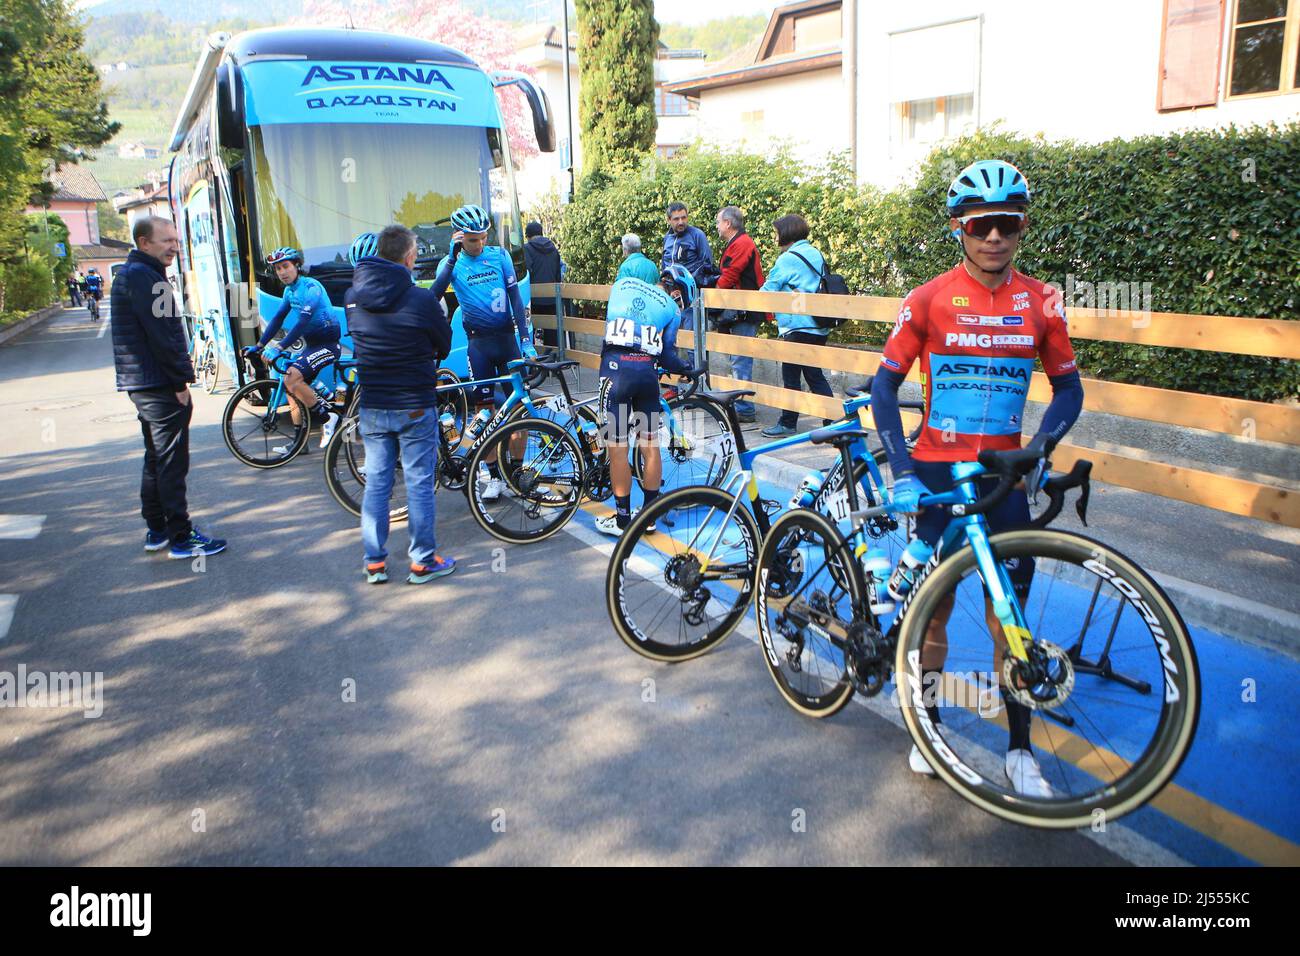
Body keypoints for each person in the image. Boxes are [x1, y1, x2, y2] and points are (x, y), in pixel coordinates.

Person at [870, 159, 1084, 797]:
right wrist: (902, 468)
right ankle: (928, 730)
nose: (995, 237)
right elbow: (885, 386)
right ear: (962, 227)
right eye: (983, 224)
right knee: (931, 617)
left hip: (1003, 483)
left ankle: (1019, 751)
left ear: (1021, 229)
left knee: (1008, 620)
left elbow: (1070, 390)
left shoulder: (1042, 299)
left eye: (1008, 225)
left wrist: (1042, 447)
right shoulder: (929, 298)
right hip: (937, 474)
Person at [111, 215, 226, 559]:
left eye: (176, 241)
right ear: (144, 243)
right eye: (168, 241)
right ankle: (181, 537)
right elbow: (165, 337)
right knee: (172, 462)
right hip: (159, 384)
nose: (175, 247)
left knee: (156, 458)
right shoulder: (149, 279)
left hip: (142, 383)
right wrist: (180, 382)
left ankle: (157, 530)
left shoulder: (133, 275)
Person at [345, 224, 455, 585]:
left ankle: (374, 561)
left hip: (374, 404)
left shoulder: (352, 297)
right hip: (414, 403)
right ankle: (422, 560)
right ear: (409, 257)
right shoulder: (420, 300)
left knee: (376, 483)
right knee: (419, 482)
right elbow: (443, 343)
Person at [431, 203, 536, 501]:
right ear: (458, 237)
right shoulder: (450, 264)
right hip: (478, 346)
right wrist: (450, 262)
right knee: (483, 414)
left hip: (507, 341)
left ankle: (516, 471)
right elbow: (432, 298)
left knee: (518, 408)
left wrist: (526, 340)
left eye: (483, 237)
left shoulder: (499, 256)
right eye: (472, 239)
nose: (479, 244)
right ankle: (493, 476)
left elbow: (516, 299)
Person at [593, 265, 696, 536]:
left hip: (615, 372)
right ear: (675, 292)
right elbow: (667, 356)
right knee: (649, 446)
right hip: (646, 376)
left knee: (617, 449)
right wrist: (687, 368)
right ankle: (649, 518)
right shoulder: (671, 309)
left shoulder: (622, 284)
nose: (681, 307)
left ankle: (623, 520)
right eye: (683, 301)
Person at [241, 247, 342, 449]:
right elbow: (278, 319)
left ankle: (328, 417)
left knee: (292, 377)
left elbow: (303, 322)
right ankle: (298, 445)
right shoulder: (289, 292)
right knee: (290, 385)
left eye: (286, 266)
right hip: (313, 346)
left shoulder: (312, 287)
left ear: (297, 266)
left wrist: (278, 347)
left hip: (329, 344)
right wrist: (260, 345)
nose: (282, 272)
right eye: (278, 269)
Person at [759, 214, 835, 436]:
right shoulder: (815, 253)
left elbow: (767, 290)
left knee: (792, 377)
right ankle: (832, 422)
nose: (775, 237)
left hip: (797, 326)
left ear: (786, 232)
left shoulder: (787, 258)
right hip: (818, 325)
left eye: (777, 233)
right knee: (814, 375)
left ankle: (788, 423)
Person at [712, 205, 766, 424]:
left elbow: (731, 274)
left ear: (728, 223)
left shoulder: (742, 243)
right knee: (738, 359)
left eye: (718, 222)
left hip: (744, 311)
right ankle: (743, 405)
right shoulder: (739, 242)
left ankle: (745, 408)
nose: (717, 226)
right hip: (741, 311)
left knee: (741, 360)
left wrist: (713, 296)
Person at [523, 220, 566, 349]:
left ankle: (534, 364)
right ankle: (552, 363)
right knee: (552, 333)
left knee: (530, 331)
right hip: (552, 298)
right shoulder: (553, 248)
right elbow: (558, 274)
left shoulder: (527, 248)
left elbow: (527, 271)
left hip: (533, 299)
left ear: (528, 235)